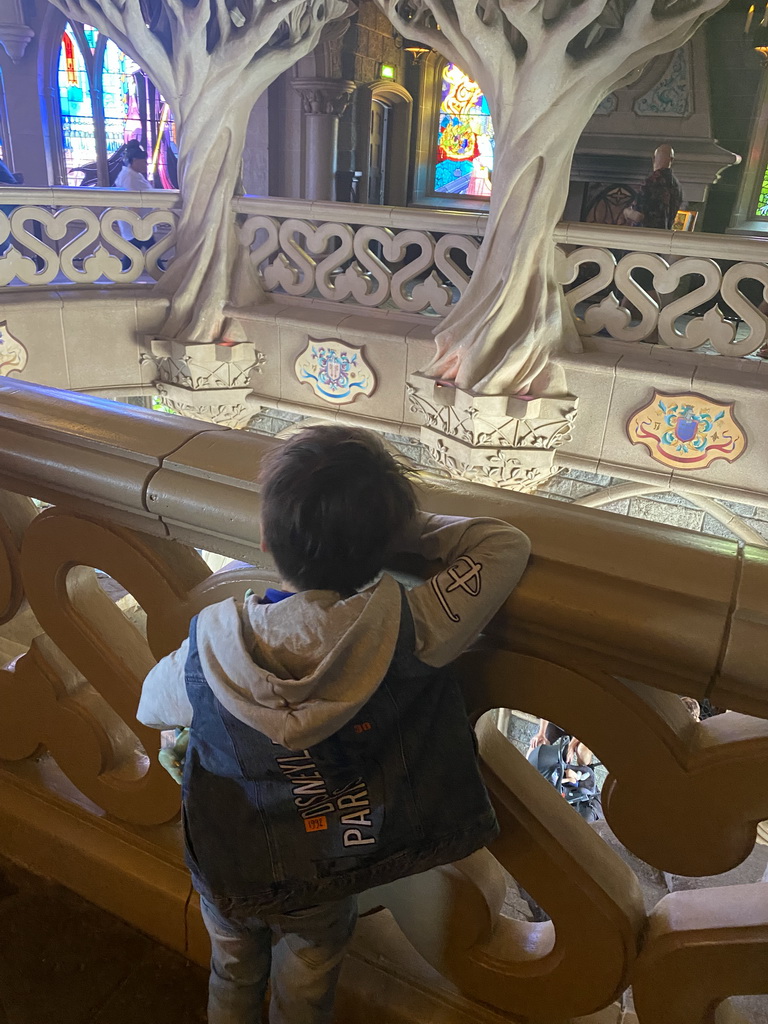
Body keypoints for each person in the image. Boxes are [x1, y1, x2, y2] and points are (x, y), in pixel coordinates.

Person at [137, 425, 531, 1024]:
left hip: (228, 861)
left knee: (234, 970)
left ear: (266, 538)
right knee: (310, 974)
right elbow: (505, 543)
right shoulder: (413, 628)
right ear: (387, 543)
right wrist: (398, 530)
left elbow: (151, 706)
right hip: (327, 864)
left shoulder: (209, 648)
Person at [114, 139, 155, 270]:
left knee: (136, 252)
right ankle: (161, 273)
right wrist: (136, 222)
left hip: (141, 222)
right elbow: (133, 200)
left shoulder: (134, 174)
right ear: (135, 160)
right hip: (137, 223)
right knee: (150, 250)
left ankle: (122, 274)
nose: (146, 165)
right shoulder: (129, 176)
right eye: (143, 162)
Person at [623, 143, 683, 230]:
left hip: (644, 235)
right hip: (662, 236)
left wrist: (626, 212)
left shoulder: (651, 181)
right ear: (672, 160)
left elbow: (638, 216)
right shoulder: (678, 186)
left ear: (654, 159)